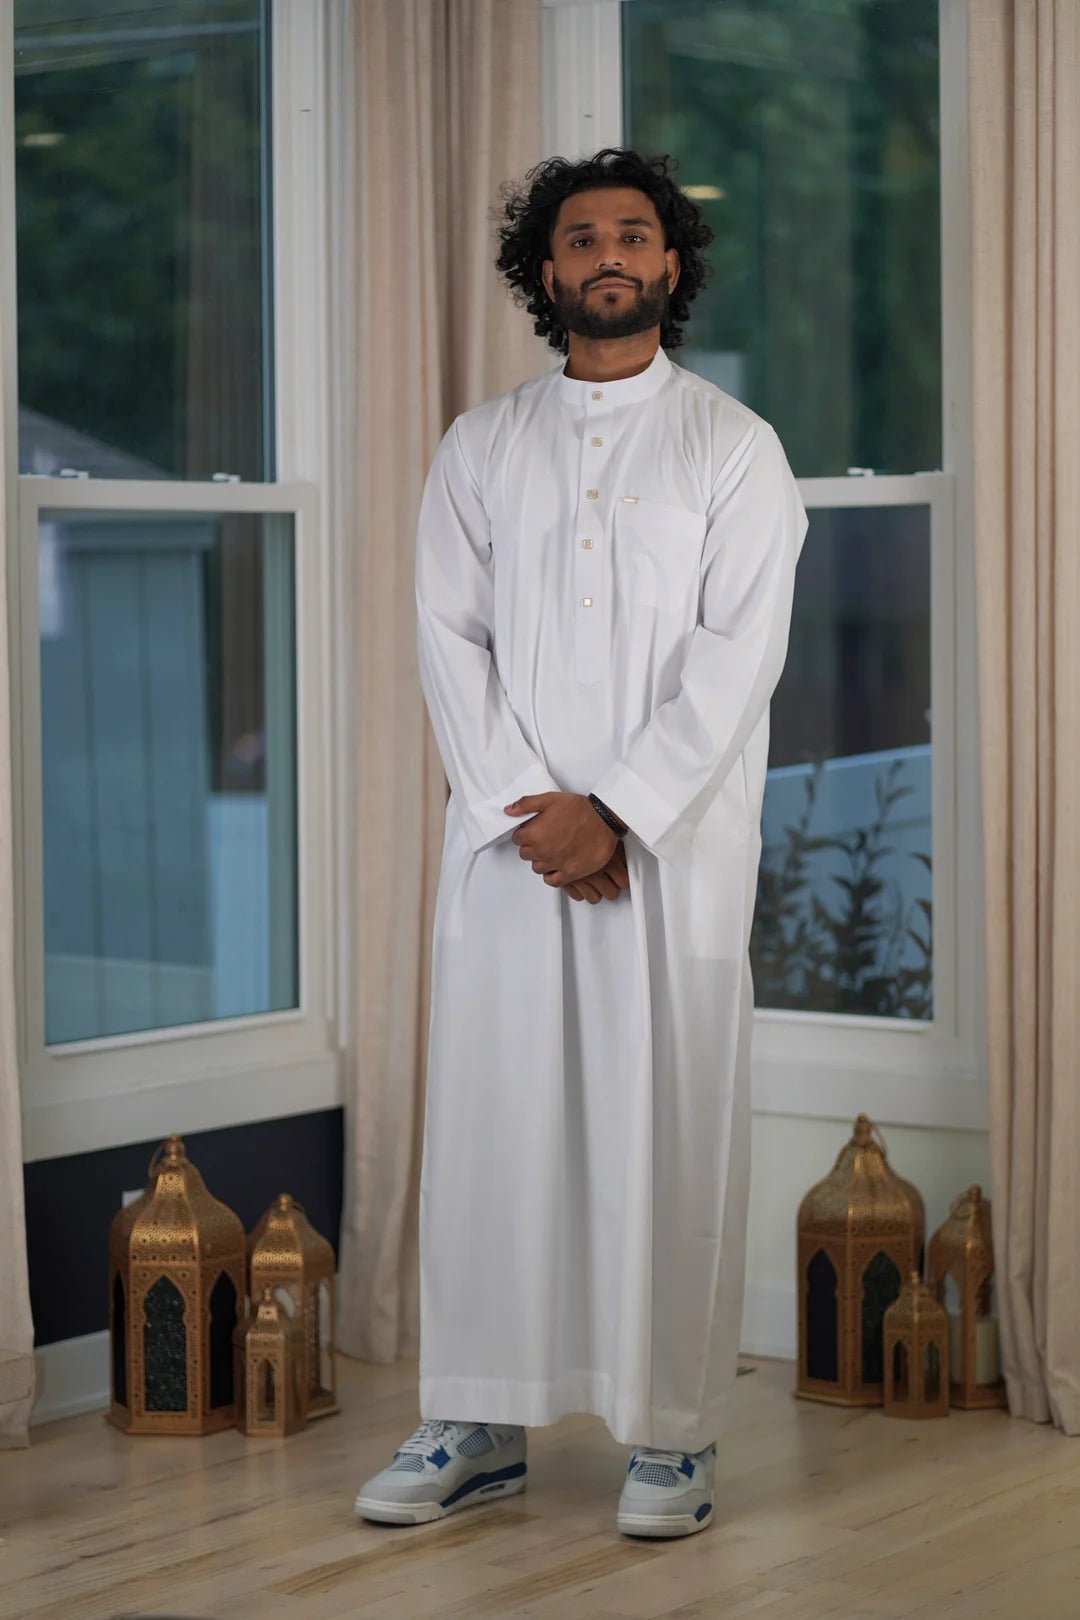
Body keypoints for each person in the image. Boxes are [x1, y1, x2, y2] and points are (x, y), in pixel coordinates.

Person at [354, 148, 806, 1539]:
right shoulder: (480, 445)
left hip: (667, 856)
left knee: (665, 1123)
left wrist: (614, 812)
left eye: (633, 234)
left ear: (671, 264)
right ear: (543, 275)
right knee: (498, 1121)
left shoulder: (731, 446)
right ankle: (475, 1417)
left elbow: (738, 664)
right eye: (579, 238)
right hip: (510, 849)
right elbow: (450, 643)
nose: (607, 254)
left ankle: (672, 1433)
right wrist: (537, 811)